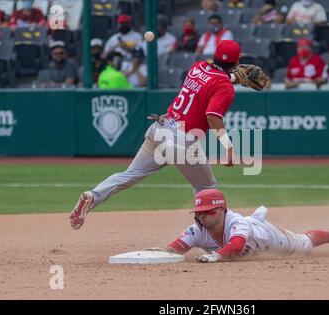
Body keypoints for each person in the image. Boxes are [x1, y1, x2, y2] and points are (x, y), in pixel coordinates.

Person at [70, 40, 250, 230]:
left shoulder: (198, 67)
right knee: (207, 189)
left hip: (161, 127)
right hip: (181, 139)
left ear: (214, 56)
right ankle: (212, 237)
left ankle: (93, 196)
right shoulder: (225, 87)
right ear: (236, 63)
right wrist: (229, 148)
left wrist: (229, 77)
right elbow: (213, 116)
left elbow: (207, 82)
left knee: (131, 174)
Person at [154, 189, 329, 263]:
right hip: (247, 248)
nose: (202, 217)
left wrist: (216, 255)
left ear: (221, 210)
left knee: (304, 244)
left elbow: (236, 245)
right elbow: (175, 248)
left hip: (266, 236)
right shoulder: (196, 230)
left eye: (208, 211)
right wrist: (156, 253)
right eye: (199, 213)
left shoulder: (236, 223)